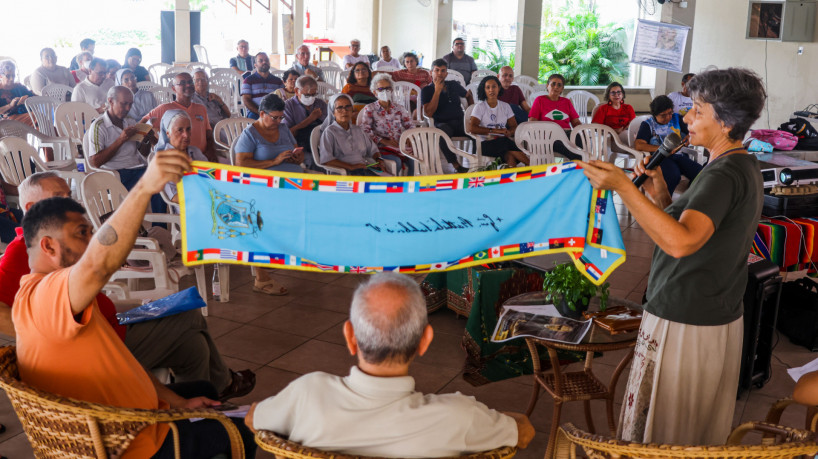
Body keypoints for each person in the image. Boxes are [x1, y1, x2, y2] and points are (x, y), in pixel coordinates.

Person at [15, 162, 257, 458]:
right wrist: (144, 187)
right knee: (244, 431)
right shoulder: (45, 294)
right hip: (129, 438)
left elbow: (126, 368)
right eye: (82, 234)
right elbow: (98, 265)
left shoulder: (56, 296)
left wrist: (176, 403)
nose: (92, 243)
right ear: (49, 247)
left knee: (202, 388)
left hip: (133, 414)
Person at [578, 68, 766, 446]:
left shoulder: (723, 174)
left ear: (726, 121)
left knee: (668, 430)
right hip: (703, 308)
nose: (686, 118)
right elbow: (691, 230)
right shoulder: (734, 164)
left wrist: (622, 189)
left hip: (689, 316)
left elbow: (681, 243)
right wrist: (658, 193)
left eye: (697, 110)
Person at [246, 272, 535, 456]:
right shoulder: (460, 417)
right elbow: (522, 431)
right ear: (425, 341)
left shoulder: (306, 394)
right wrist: (488, 414)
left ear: (350, 336)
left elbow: (253, 418)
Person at [234, 93, 298, 297]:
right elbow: (241, 164)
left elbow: (295, 149)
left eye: (281, 118)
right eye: (274, 117)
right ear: (262, 114)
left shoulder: (283, 129)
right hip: (262, 187)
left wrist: (296, 156)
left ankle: (279, 254)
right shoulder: (250, 134)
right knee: (260, 223)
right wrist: (274, 162)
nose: (279, 122)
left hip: (289, 185)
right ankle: (260, 278)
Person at [85, 86, 154, 190]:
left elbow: (143, 153)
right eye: (124, 103)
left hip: (137, 168)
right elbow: (96, 162)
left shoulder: (130, 121)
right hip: (116, 173)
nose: (128, 108)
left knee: (165, 178)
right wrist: (121, 140)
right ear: (111, 101)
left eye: (130, 104)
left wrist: (146, 140)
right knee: (156, 184)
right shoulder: (99, 126)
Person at [634, 95, 702, 195]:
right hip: (660, 158)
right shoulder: (648, 124)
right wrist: (663, 149)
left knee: (701, 173)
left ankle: (689, 198)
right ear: (655, 114)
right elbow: (639, 145)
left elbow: (691, 130)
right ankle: (664, 205)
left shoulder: (676, 118)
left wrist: (689, 136)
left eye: (670, 113)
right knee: (673, 175)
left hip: (678, 156)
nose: (668, 117)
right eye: (663, 115)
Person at [142, 72, 217, 162]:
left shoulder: (201, 108)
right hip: (178, 160)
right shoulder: (165, 109)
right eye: (182, 83)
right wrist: (156, 142)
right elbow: (142, 125)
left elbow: (208, 133)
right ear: (174, 89)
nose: (188, 85)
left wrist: (211, 151)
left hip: (201, 158)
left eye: (190, 82)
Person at [319, 94, 389, 175]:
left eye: (348, 107)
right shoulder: (329, 132)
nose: (344, 111)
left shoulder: (358, 130)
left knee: (390, 182)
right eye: (340, 108)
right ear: (333, 112)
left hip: (363, 168)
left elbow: (373, 150)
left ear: (352, 110)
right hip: (343, 172)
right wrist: (351, 166)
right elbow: (327, 160)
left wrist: (379, 160)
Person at [421, 59, 470, 173]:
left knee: (476, 131)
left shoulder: (453, 84)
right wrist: (437, 91)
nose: (439, 74)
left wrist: (470, 111)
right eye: (436, 70)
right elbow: (429, 113)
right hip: (443, 124)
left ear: (446, 73)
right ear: (431, 72)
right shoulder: (427, 90)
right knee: (442, 134)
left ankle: (481, 162)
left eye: (443, 71)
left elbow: (468, 95)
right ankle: (457, 165)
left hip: (460, 121)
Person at [358, 74, 414, 175]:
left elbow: (410, 125)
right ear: (375, 92)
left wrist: (409, 135)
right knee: (396, 162)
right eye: (381, 89)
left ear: (392, 90)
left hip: (398, 145)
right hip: (379, 147)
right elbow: (365, 130)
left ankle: (409, 187)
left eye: (388, 88)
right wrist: (383, 141)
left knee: (415, 160)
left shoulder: (399, 108)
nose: (385, 91)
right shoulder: (370, 108)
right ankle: (392, 188)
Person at [469, 76, 529, 167]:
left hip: (502, 144)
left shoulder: (505, 106)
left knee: (509, 155)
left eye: (494, 87)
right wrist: (494, 131)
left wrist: (509, 132)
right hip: (483, 144)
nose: (491, 90)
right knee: (506, 143)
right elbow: (472, 128)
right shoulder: (479, 107)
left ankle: (510, 178)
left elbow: (514, 126)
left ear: (499, 88)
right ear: (484, 90)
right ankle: (532, 165)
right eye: (488, 87)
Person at [155, 110, 209, 203]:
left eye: (188, 129)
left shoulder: (195, 152)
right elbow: (175, 196)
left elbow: (211, 176)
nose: (186, 135)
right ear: (168, 133)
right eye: (180, 130)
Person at [528, 73, 581, 160]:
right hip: (548, 135)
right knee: (573, 150)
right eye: (553, 84)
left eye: (559, 85)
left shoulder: (566, 102)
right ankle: (579, 164)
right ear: (547, 85)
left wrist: (582, 131)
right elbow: (532, 121)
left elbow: (575, 122)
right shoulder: (540, 100)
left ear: (562, 89)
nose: (556, 87)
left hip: (566, 133)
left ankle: (579, 163)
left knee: (579, 138)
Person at [283, 75, 327, 166]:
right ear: (296, 91)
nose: (311, 98)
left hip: (322, 143)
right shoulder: (288, 106)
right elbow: (288, 133)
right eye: (307, 95)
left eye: (314, 94)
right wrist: (310, 119)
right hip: (298, 145)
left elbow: (328, 126)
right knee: (310, 160)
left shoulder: (320, 104)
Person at [241, 52, 284, 120]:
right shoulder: (248, 80)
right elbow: (246, 100)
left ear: (269, 63)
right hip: (255, 112)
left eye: (266, 60)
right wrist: (260, 112)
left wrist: (273, 113)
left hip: (274, 113)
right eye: (261, 60)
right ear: (255, 65)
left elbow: (283, 98)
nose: (264, 62)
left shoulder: (277, 81)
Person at [0, 60, 35, 126]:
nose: (11, 79)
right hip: (6, 123)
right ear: (0, 76)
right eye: (8, 76)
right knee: (38, 118)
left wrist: (27, 99)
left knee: (41, 120)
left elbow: (33, 97)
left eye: (13, 75)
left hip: (26, 116)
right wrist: (10, 105)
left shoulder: (19, 87)